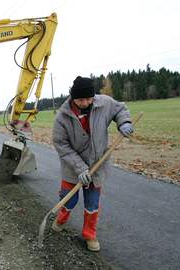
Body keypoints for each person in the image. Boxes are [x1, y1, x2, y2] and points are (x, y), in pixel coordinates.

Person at [51, 76, 134, 251]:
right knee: (68, 200)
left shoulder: (103, 103)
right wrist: (80, 168)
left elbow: (120, 109)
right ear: (73, 98)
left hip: (97, 166)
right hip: (72, 169)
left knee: (92, 204)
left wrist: (124, 122)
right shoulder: (62, 116)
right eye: (81, 99)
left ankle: (90, 235)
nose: (86, 102)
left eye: (89, 98)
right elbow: (61, 145)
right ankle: (61, 219)